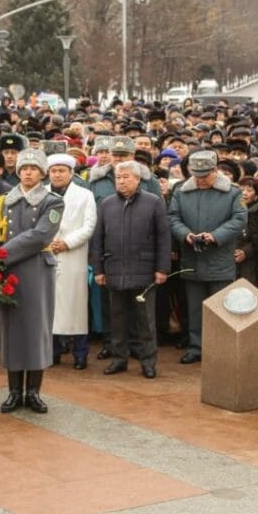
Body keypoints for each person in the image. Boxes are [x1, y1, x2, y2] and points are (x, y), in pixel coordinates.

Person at [0, 148, 63, 414]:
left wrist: (3, 252)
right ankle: (13, 391)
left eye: (33, 169)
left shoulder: (52, 201)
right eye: (23, 169)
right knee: (11, 330)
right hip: (8, 270)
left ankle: (33, 391)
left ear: (42, 172)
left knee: (36, 329)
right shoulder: (3, 201)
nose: (28, 173)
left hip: (36, 270)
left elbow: (41, 235)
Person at [90, 160, 169, 378]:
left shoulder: (153, 202)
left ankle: (148, 362)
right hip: (114, 270)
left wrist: (162, 269)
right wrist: (98, 270)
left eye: (126, 177)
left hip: (144, 270)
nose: (121, 181)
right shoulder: (106, 204)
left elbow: (163, 238)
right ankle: (119, 359)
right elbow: (98, 240)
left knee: (146, 321)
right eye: (118, 177)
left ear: (138, 179)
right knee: (117, 319)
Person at [167, 150, 247, 363]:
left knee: (221, 307)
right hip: (192, 258)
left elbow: (239, 220)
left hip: (219, 258)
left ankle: (220, 348)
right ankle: (196, 347)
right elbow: (173, 217)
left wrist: (215, 236)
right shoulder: (180, 191)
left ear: (215, 170)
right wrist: (186, 235)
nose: (200, 180)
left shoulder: (232, 192)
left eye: (205, 175)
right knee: (194, 308)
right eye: (196, 175)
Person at [46, 152, 96, 370]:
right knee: (50, 308)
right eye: (53, 171)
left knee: (75, 308)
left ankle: (80, 353)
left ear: (70, 173)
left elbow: (89, 225)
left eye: (62, 171)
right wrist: (48, 243)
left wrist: (67, 242)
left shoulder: (85, 195)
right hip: (46, 254)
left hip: (73, 255)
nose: (57, 175)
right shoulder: (41, 194)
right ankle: (53, 352)